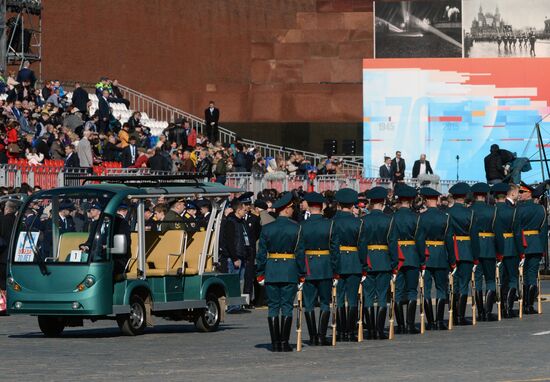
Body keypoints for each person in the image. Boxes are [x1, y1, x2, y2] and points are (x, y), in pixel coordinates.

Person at [256, 192, 305, 352]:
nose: (293, 211)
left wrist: (260, 273)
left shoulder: (267, 228)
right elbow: (299, 254)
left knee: (273, 307)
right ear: (286, 209)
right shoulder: (296, 228)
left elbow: (261, 254)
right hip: (289, 270)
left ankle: (275, 343)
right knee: (287, 307)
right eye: (291, 208)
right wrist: (301, 274)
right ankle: (284, 342)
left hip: (272, 270)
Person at [300, 192, 339, 346]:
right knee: (324, 302)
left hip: (308, 266)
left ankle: (312, 336)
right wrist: (336, 270)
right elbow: (335, 250)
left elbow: (299, 249)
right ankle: (321, 336)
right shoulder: (330, 224)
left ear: (309, 206)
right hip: (325, 266)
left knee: (308, 304)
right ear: (322, 207)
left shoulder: (302, 226)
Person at [416, 187, 455, 330]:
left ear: (426, 201)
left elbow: (419, 240)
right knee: (440, 288)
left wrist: (421, 258)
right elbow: (449, 241)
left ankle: (430, 321)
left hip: (426, 255)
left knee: (426, 290)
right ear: (437, 200)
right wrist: (452, 260)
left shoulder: (421, 217)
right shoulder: (445, 217)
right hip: (440, 255)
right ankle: (439, 320)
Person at [362, 187, 395, 340]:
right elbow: (393, 244)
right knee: (382, 296)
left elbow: (360, 245)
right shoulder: (389, 220)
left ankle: (371, 330)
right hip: (383, 260)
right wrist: (394, 264)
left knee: (368, 296)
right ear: (382, 202)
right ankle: (380, 330)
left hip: (368, 260)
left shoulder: (363, 220)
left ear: (370, 203)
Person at [390, 184, 424, 334]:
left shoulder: (392, 217)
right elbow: (420, 241)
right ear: (410, 201)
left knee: (397, 291)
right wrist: (422, 259)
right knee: (411, 290)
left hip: (397, 255)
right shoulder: (416, 218)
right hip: (412, 255)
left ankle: (401, 324)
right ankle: (410, 324)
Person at [332, 188, 363, 342]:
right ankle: (350, 331)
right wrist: (363, 266)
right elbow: (362, 246)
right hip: (354, 261)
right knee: (352, 298)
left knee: (339, 298)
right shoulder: (358, 222)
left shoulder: (332, 222)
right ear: (352, 205)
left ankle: (340, 331)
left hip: (338, 262)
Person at [447, 182, 480, 326]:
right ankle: (460, 316)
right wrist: (475, 256)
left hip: (452, 249)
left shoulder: (447, 212)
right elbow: (474, 237)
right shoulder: (470, 213)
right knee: (463, 284)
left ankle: (452, 314)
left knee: (452, 283)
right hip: (466, 250)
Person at [514, 182, 547, 314]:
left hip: (521, 244)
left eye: (522, 192)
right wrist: (542, 248)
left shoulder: (518, 209)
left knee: (520, 274)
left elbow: (516, 229)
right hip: (535, 244)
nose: (520, 195)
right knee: (531, 275)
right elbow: (543, 231)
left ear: (529, 194)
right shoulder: (541, 209)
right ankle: (529, 305)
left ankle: (524, 302)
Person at [470, 182, 497, 321]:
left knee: (477, 281)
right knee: (491, 280)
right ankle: (488, 311)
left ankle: (480, 311)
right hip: (489, 247)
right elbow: (497, 231)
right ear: (485, 195)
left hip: (474, 248)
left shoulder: (469, 210)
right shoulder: (492, 210)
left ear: (474, 195)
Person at [492, 183, 518, 318]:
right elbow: (518, 233)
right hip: (511, 246)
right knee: (513, 278)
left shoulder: (492, 211)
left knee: (500, 279)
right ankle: (508, 307)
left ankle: (501, 307)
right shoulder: (512, 211)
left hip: (495, 247)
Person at [224, 199, 252, 313]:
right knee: (233, 282)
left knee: (240, 282)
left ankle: (238, 305)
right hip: (235, 257)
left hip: (242, 256)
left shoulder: (241, 222)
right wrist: (234, 257)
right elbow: (230, 242)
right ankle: (233, 306)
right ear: (238, 210)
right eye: (244, 210)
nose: (245, 212)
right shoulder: (231, 222)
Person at [0, 201, 18, 290]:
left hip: (3, 254)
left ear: (6, 209)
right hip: (14, 255)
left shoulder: (2, 220)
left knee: (2, 282)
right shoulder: (18, 220)